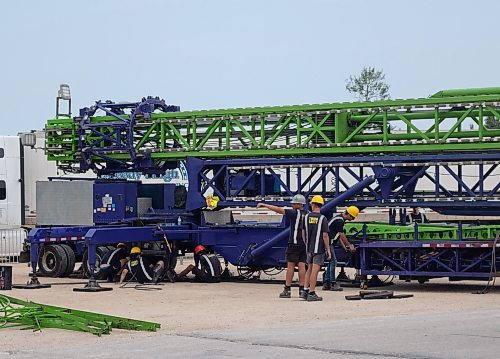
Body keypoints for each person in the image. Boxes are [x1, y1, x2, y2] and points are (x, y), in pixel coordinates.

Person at [257, 194, 307, 298]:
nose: (292, 205)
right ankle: (302, 290)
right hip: (304, 244)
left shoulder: (294, 213)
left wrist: (265, 205)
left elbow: (279, 210)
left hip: (294, 243)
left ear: (298, 204)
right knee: (302, 266)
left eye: (294, 203)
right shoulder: (307, 214)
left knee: (291, 267)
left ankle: (287, 289)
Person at [301, 195, 331, 302]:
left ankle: (304, 290)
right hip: (318, 249)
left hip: (309, 248)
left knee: (309, 269)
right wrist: (328, 249)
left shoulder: (306, 217)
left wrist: (306, 244)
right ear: (321, 205)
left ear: (313, 204)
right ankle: (312, 292)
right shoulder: (323, 218)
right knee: (315, 270)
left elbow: (303, 233)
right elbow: (325, 235)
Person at [323, 206, 359, 291]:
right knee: (333, 262)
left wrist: (344, 246)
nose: (352, 219)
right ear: (348, 214)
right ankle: (332, 283)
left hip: (328, 242)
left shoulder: (338, 219)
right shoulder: (339, 221)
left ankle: (326, 283)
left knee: (331, 262)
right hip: (328, 243)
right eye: (352, 217)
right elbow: (342, 235)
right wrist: (349, 245)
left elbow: (338, 236)